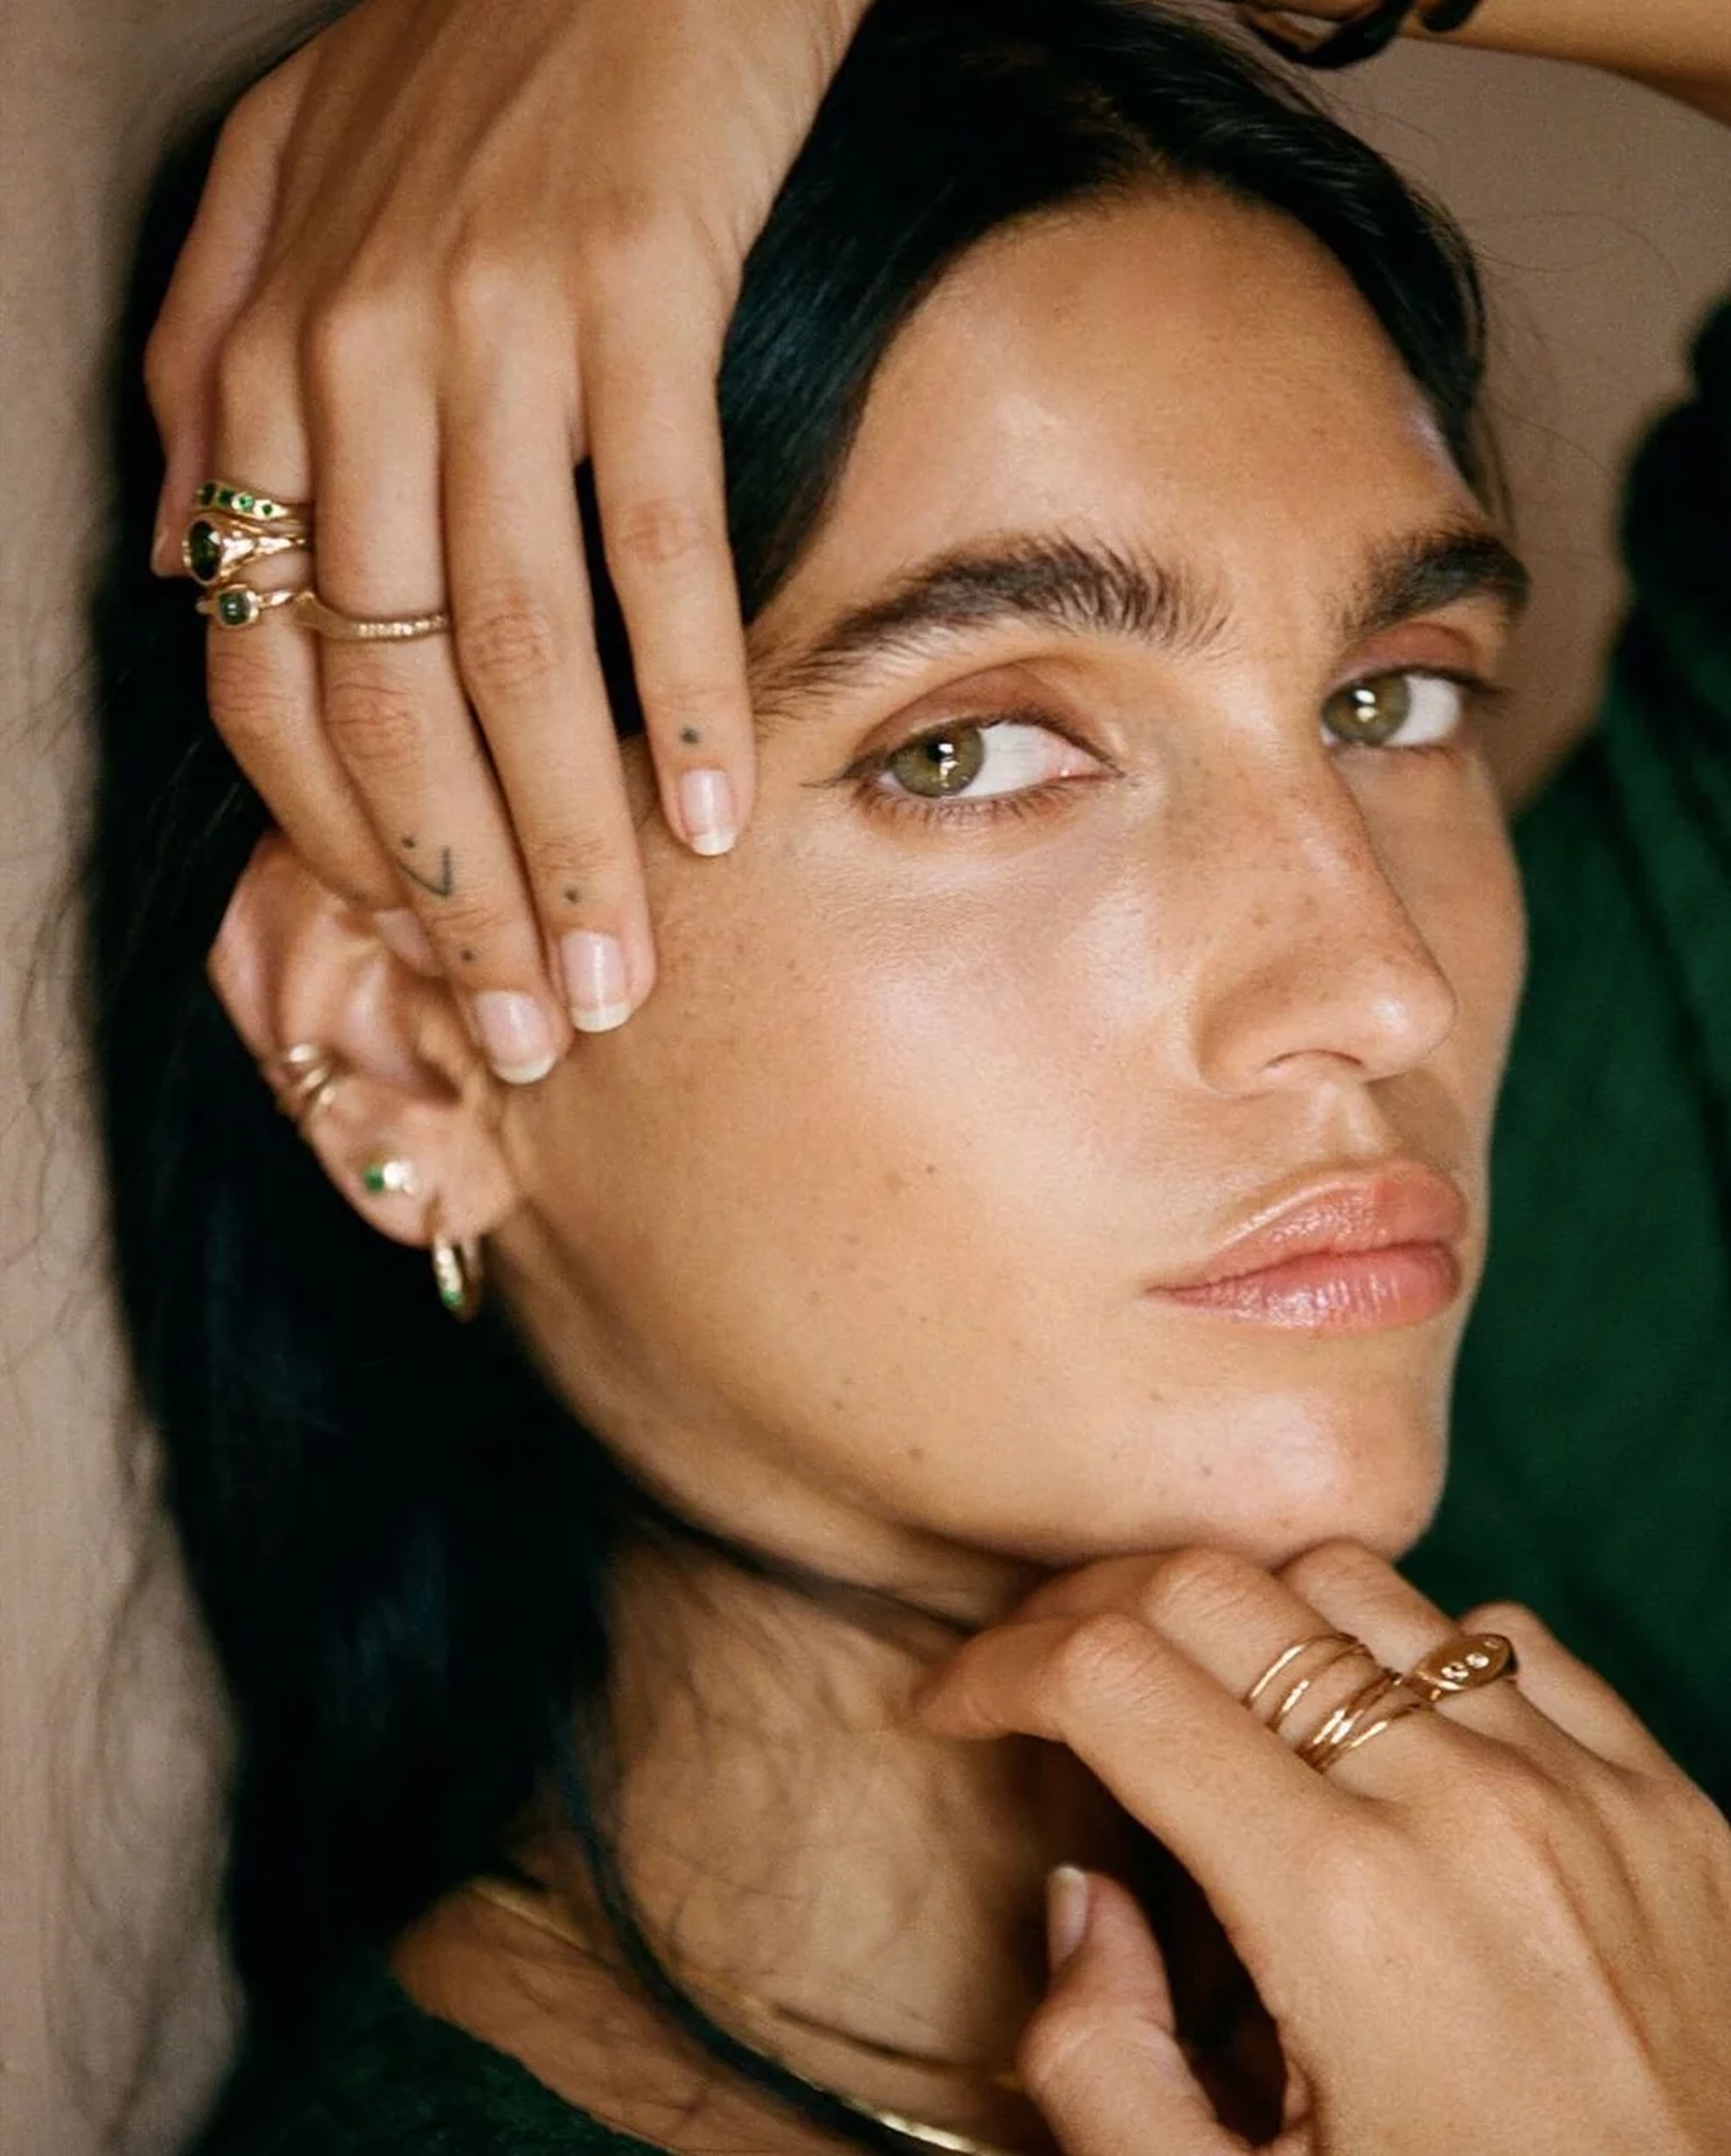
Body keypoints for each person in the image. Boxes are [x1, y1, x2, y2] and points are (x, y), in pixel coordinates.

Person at [90, 3, 1730, 2153]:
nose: (1378, 985)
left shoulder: (1570, 1401)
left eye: (1389, 700)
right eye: (971, 752)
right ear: (411, 1039)